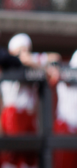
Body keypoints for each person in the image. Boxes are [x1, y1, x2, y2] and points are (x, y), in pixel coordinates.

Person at [1, 33, 61, 168]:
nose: (24, 52)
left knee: (30, 157)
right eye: (20, 49)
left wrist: (40, 65)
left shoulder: (34, 64)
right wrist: (44, 68)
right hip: (14, 113)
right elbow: (22, 59)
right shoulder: (9, 62)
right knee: (13, 156)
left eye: (26, 48)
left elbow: (56, 57)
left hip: (30, 115)